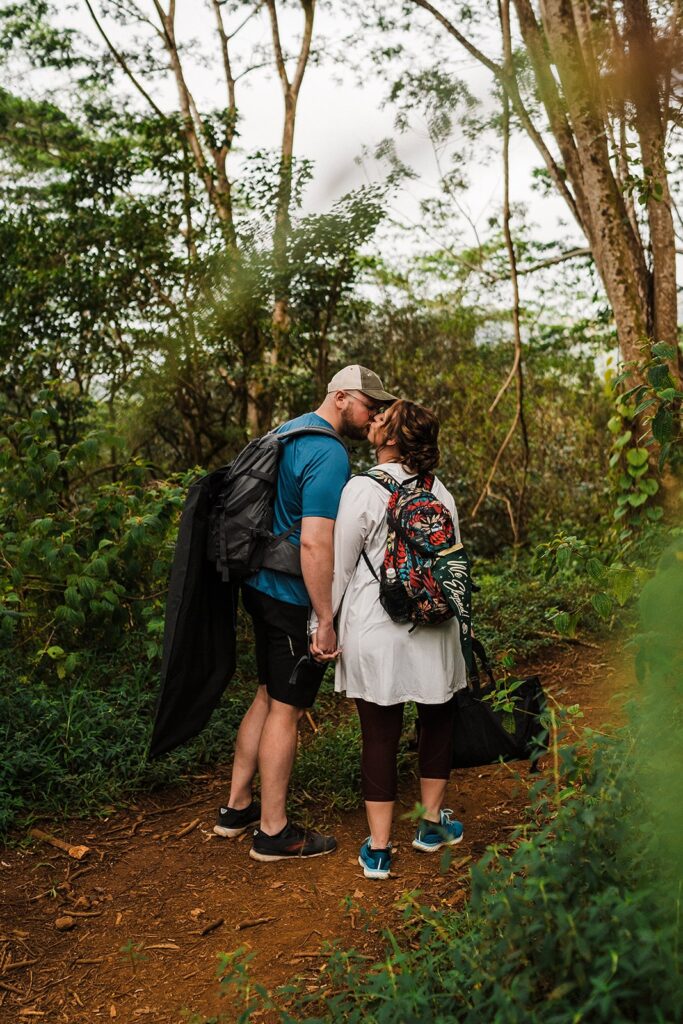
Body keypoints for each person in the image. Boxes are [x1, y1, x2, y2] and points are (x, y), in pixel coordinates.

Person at [214, 365, 397, 862]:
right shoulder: (329, 452)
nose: (374, 413)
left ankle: (237, 809)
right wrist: (325, 617)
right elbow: (315, 541)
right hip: (290, 595)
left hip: (257, 583)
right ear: (340, 397)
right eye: (369, 403)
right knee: (287, 709)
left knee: (267, 694)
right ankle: (274, 833)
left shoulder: (290, 430)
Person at [324, 399, 467, 880]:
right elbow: (453, 565)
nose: (376, 419)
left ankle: (380, 848)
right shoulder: (439, 491)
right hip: (435, 626)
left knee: (379, 735)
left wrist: (321, 622)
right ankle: (430, 826)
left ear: (390, 439)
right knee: (437, 722)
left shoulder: (360, 489)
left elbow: (341, 566)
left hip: (376, 626)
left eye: (383, 419)